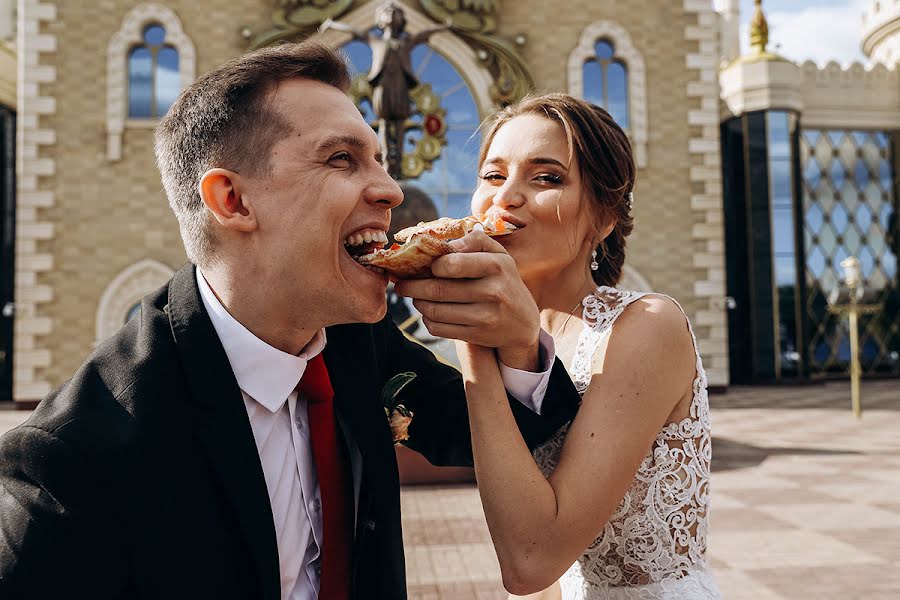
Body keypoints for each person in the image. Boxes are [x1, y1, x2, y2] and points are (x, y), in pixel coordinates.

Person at [0, 44, 580, 599]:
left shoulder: (357, 339)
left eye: (378, 159)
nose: (391, 190)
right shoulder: (67, 465)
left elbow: (475, 432)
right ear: (232, 200)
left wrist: (517, 342)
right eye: (341, 159)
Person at [398, 93, 722, 599]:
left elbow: (531, 561)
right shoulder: (522, 341)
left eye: (546, 177)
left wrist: (474, 342)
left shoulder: (646, 327)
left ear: (604, 217)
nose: (506, 197)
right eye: (492, 175)